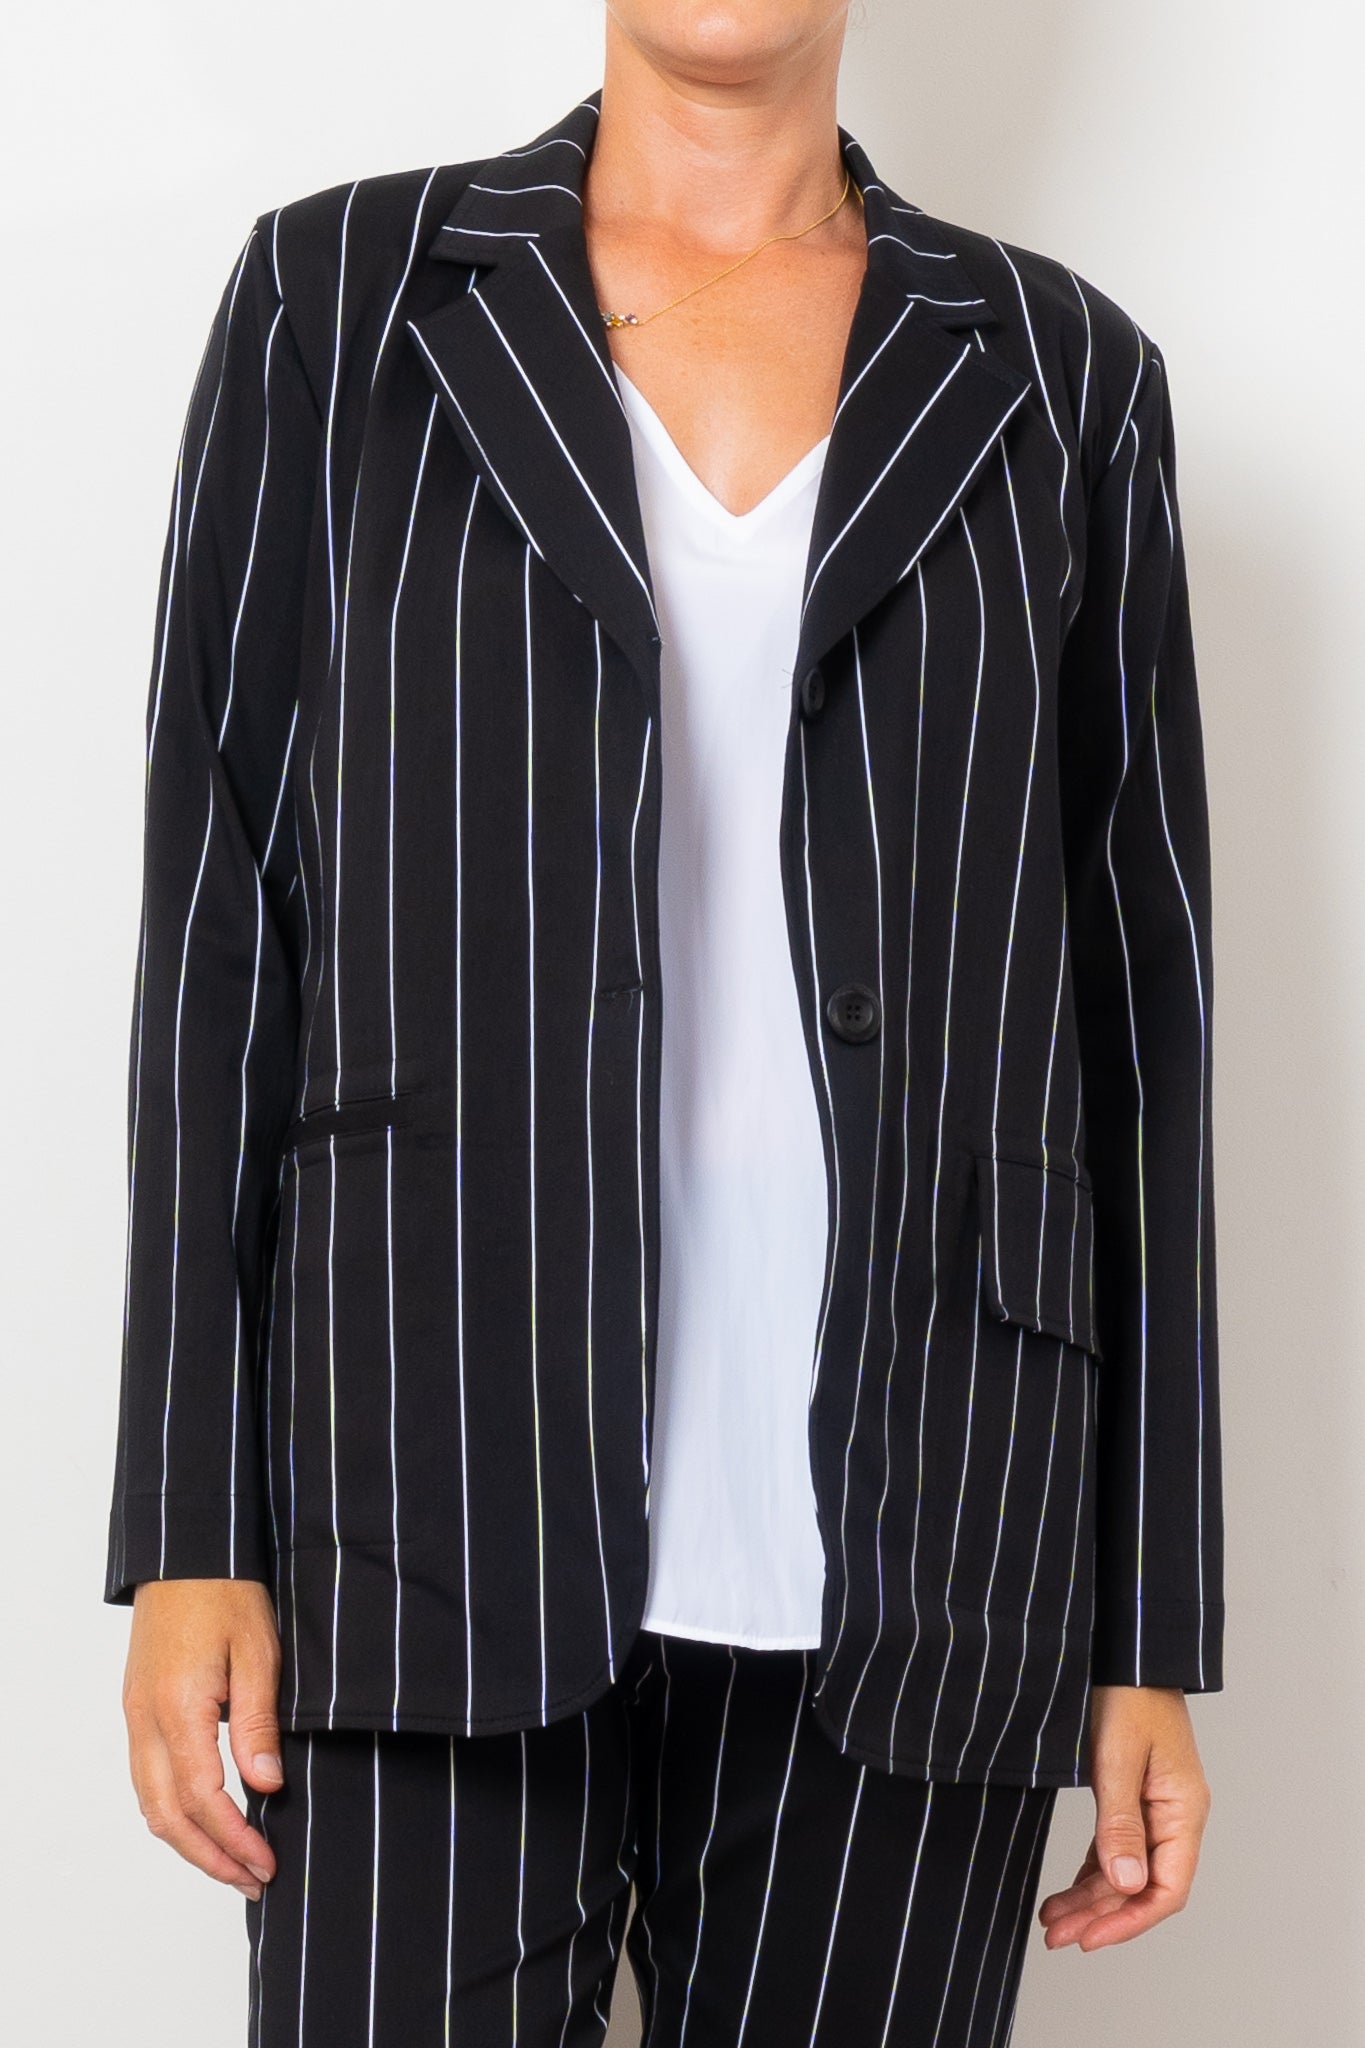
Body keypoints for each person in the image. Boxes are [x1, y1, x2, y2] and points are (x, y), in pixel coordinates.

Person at [107, 3, 1223, 2042]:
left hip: (929, 1534)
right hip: (416, 1504)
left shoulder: (1063, 376)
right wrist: (189, 1531)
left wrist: (1146, 1621)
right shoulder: (338, 303)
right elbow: (216, 931)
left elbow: (1137, 1018)